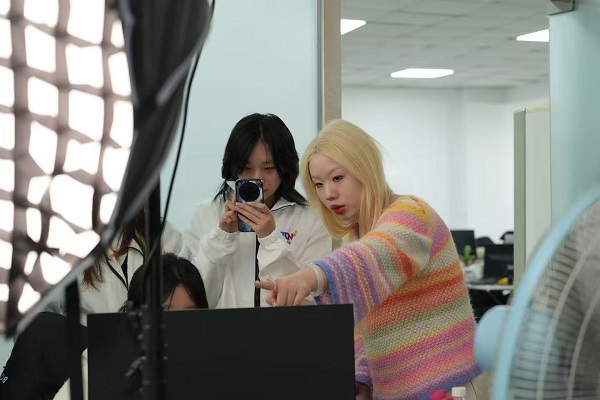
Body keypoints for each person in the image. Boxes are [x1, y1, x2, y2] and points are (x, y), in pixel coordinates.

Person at [256, 120, 481, 400]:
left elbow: (374, 253)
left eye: (338, 178)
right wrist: (362, 378)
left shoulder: (412, 213)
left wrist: (311, 276)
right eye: (319, 184)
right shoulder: (358, 235)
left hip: (449, 387)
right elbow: (366, 324)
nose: (329, 194)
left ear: (365, 168)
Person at [183, 113, 332, 308]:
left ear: (285, 167)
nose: (257, 178)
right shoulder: (207, 213)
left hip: (286, 327)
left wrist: (271, 239)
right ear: (233, 168)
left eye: (269, 168)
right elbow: (194, 299)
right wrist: (221, 238)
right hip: (221, 327)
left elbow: (310, 300)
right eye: (246, 168)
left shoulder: (310, 219)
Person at [50, 253, 209, 400]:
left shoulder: (212, 368)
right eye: (165, 312)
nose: (178, 325)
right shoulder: (102, 366)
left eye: (189, 314)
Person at [45, 208, 185, 325]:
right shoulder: (60, 243)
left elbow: (188, 308)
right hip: (90, 349)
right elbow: (42, 324)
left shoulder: (164, 235)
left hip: (159, 347)